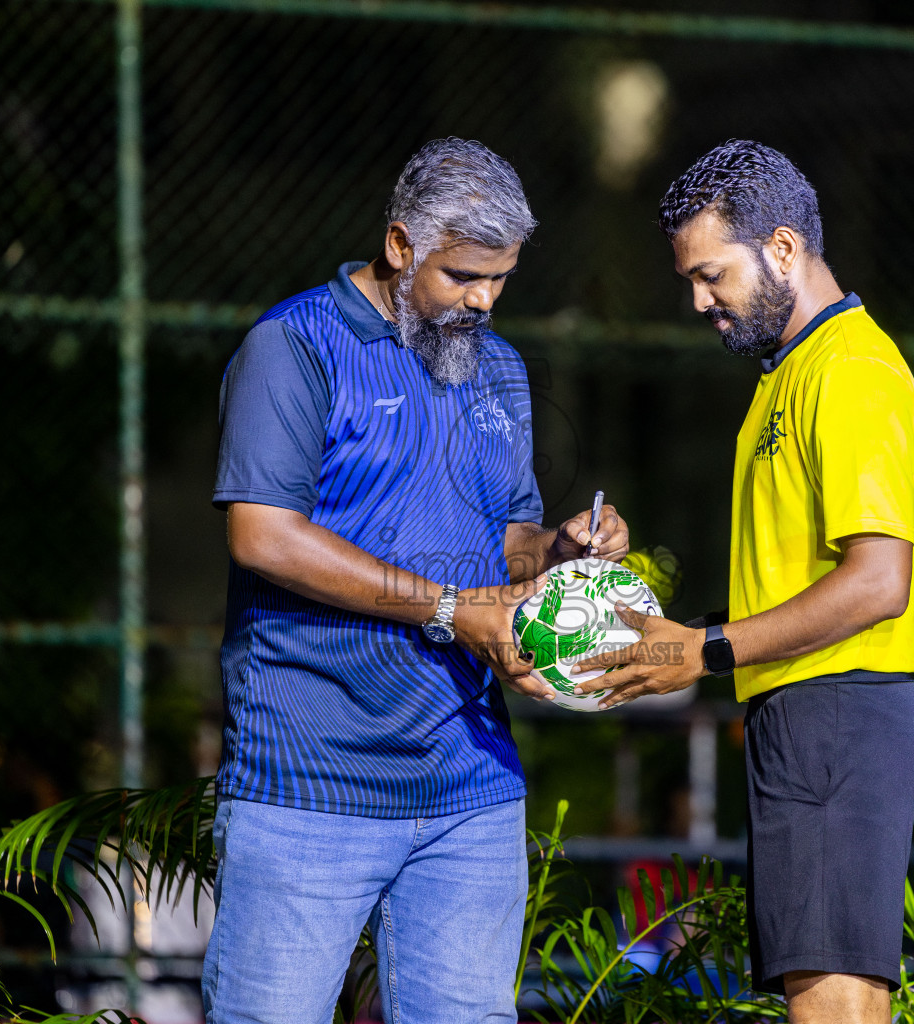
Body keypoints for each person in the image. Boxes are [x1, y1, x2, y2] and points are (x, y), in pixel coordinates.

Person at [203, 137, 629, 1024]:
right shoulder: (293, 347)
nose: (483, 300)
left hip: (469, 787)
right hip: (307, 782)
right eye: (463, 275)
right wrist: (446, 608)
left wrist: (564, 552)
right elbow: (264, 535)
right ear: (400, 245)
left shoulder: (500, 369)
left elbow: (505, 542)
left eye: (500, 279)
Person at [575, 139, 914, 1024]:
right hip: (805, 714)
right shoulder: (790, 373)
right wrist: (669, 633)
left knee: (836, 1005)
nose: (699, 300)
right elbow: (796, 584)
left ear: (781, 247)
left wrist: (707, 649)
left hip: (839, 712)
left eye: (711, 275)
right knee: (818, 998)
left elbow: (879, 582)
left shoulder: (849, 371)